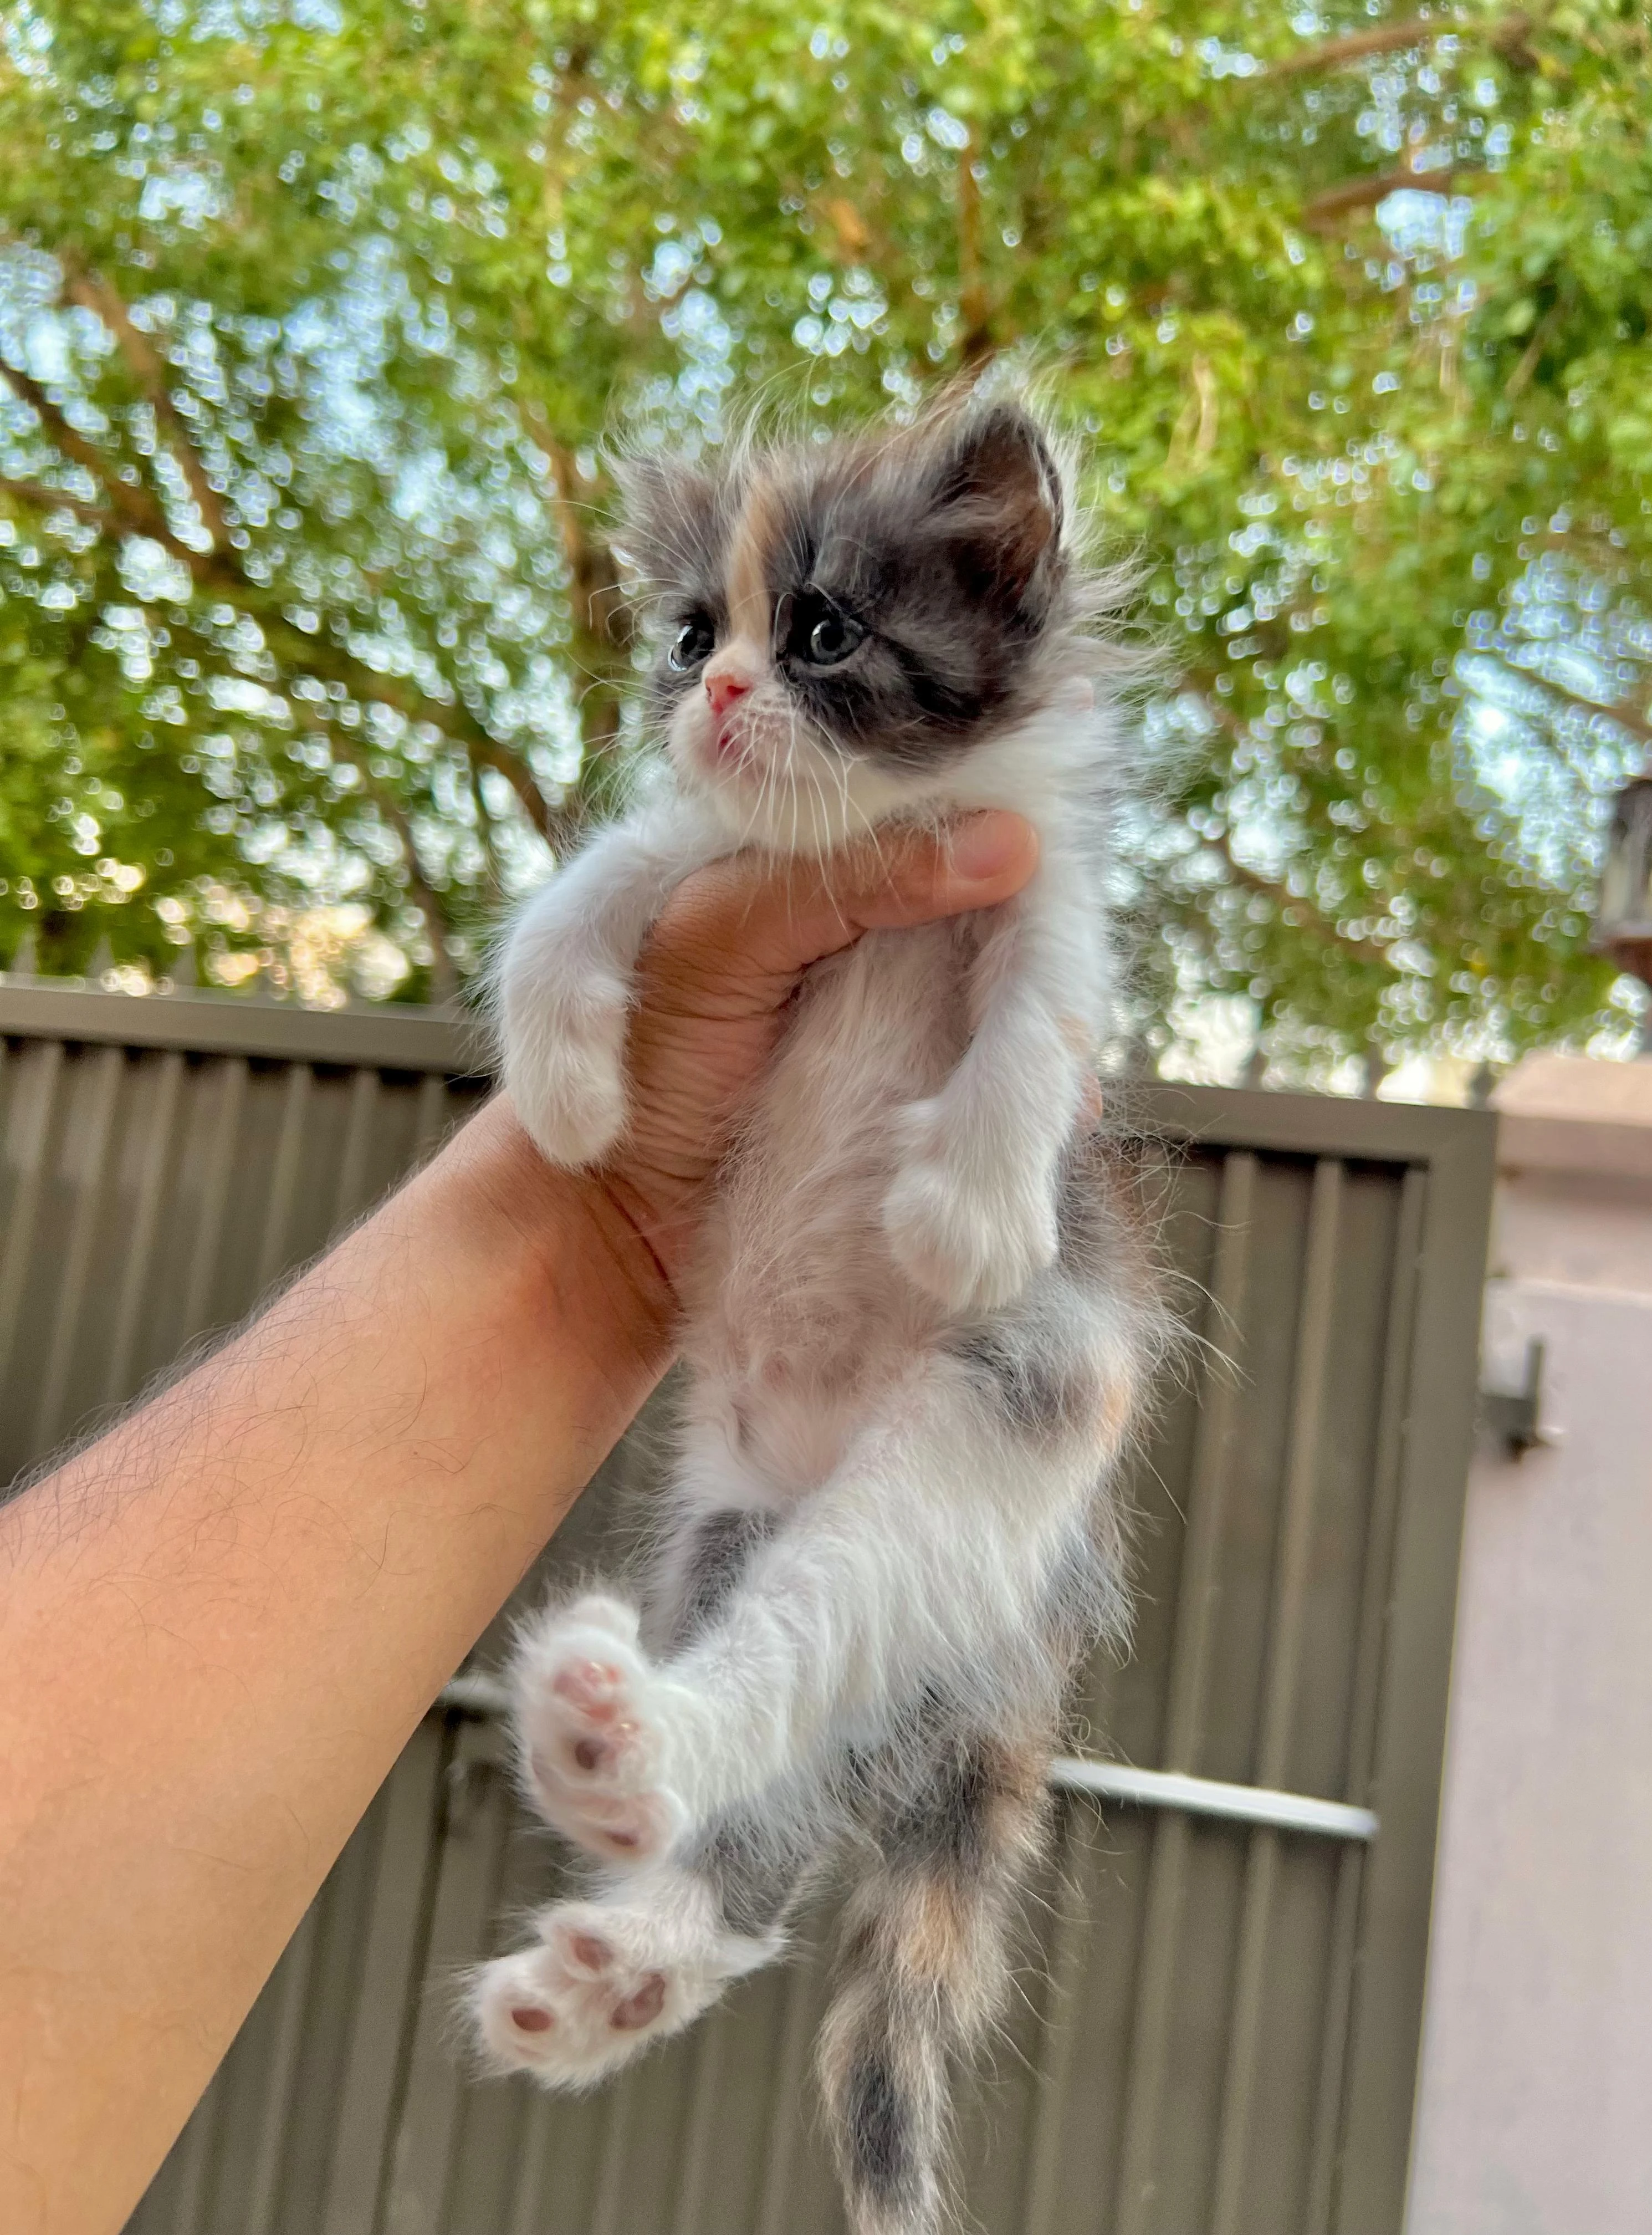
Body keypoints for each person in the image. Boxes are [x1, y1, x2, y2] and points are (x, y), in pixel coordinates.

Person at [0, 814, 1040, 2235]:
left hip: (976, 1354)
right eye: (689, 642)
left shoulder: (1011, 830)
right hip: (787, 1334)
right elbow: (619, 910)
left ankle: (696, 1841)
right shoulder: (753, 814)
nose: (724, 691)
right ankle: (698, 1890)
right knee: (745, 1541)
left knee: (807, 1583)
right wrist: (598, 1180)